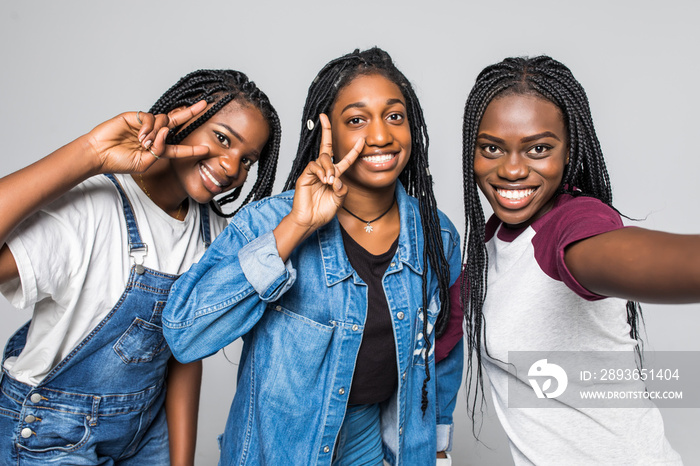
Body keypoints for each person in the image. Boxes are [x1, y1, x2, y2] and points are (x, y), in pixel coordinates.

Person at [162, 47, 463, 465]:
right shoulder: (269, 221)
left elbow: (443, 348)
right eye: (356, 120)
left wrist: (440, 447)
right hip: (282, 448)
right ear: (328, 132)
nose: (380, 136)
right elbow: (185, 333)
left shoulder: (437, 235)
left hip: (372, 444)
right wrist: (297, 226)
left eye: (394, 116)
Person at [0, 69, 281, 465]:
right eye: (222, 138)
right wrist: (91, 153)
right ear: (182, 118)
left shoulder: (213, 232)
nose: (232, 166)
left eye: (247, 159)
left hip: (144, 431)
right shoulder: (95, 206)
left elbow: (184, 351)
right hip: (50, 435)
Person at [456, 55, 690, 464]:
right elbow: (432, 332)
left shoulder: (574, 223)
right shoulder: (490, 245)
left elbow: (624, 257)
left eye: (539, 148)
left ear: (569, 153)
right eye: (492, 148)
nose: (512, 169)